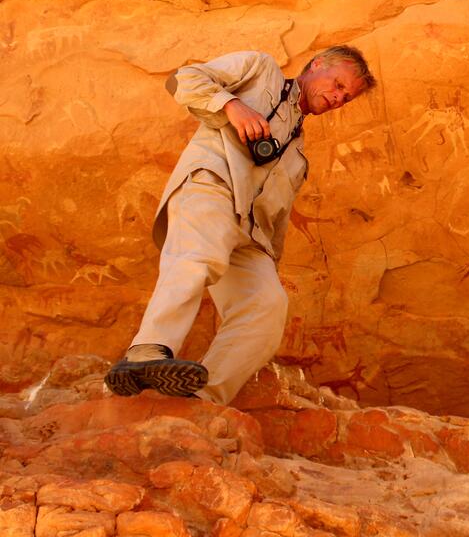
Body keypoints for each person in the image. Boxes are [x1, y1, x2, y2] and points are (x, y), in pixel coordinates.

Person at [105, 46, 376, 404]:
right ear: (317, 64)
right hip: (212, 187)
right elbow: (184, 79)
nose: (339, 97)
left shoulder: (298, 153)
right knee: (199, 255)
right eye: (339, 84)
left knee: (267, 304)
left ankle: (204, 397)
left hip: (251, 234)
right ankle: (147, 351)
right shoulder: (261, 69)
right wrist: (231, 106)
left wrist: (268, 264)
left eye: (346, 96)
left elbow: (276, 222)